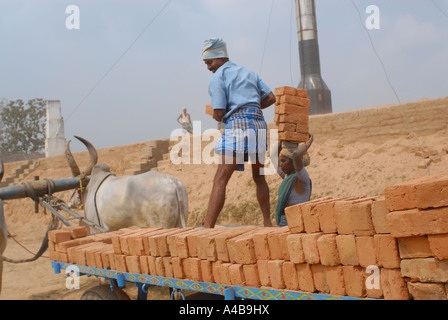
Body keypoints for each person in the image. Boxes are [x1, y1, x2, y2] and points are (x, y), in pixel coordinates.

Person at [202, 38, 276, 228]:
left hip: (238, 125)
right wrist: (249, 106)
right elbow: (270, 97)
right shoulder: (249, 72)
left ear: (219, 58)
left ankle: (207, 228)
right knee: (259, 176)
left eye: (209, 62)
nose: (209, 67)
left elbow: (218, 112)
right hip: (259, 123)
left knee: (221, 177)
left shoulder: (218, 77)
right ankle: (268, 222)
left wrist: (222, 115)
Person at [274, 134, 313, 227]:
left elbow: (296, 155)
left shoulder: (302, 178)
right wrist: (282, 138)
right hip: (285, 221)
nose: (281, 164)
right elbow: (273, 156)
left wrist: (308, 143)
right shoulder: (287, 176)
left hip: (297, 220)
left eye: (283, 161)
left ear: (293, 162)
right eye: (280, 161)